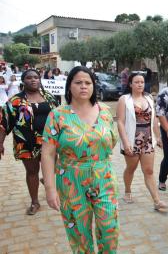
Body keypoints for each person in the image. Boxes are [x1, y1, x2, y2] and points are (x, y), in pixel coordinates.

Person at [41, 66, 119, 253]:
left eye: (88, 83)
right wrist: (50, 189)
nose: (83, 86)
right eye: (78, 82)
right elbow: (48, 153)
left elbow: (111, 143)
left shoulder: (105, 112)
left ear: (93, 86)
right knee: (79, 234)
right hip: (71, 181)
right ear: (69, 87)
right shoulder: (58, 115)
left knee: (109, 229)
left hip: (104, 178)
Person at [0, 69, 59, 215]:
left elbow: (59, 118)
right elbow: (3, 123)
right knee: (32, 172)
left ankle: (46, 180)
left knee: (52, 169)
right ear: (23, 81)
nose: (33, 80)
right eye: (29, 78)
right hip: (26, 143)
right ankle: (35, 202)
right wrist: (0, 143)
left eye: (36, 77)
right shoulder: (15, 101)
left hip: (49, 142)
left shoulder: (50, 97)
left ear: (40, 80)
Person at [116, 72, 168, 210]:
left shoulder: (149, 98)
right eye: (137, 82)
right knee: (131, 168)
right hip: (132, 139)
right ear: (130, 84)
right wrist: (126, 142)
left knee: (149, 170)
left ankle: (157, 201)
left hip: (148, 139)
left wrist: (158, 137)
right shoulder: (124, 99)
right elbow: (120, 122)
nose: (140, 84)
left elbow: (154, 119)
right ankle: (127, 191)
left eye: (142, 82)